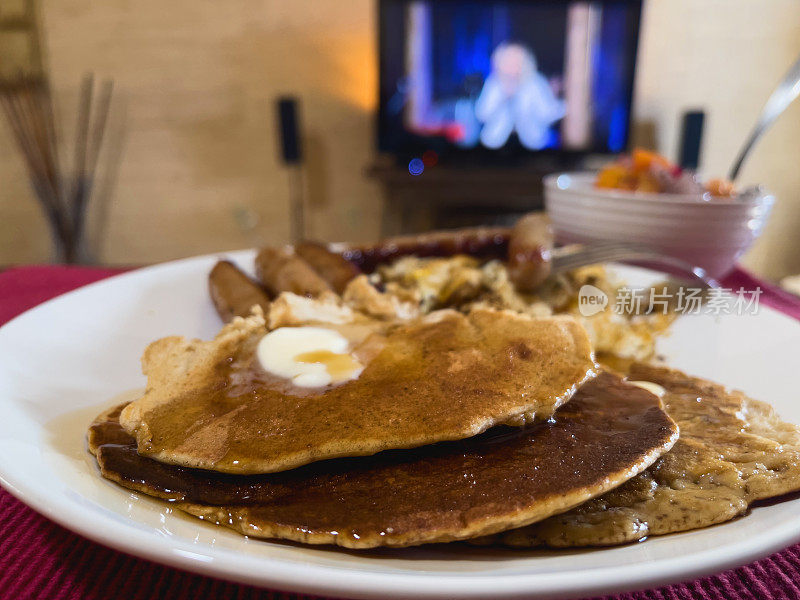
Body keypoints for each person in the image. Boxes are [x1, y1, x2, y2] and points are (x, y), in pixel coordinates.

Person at [475, 43, 566, 150]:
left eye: (517, 61)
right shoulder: (494, 83)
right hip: (496, 144)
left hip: (532, 144)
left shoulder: (535, 82)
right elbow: (481, 114)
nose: (513, 65)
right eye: (508, 61)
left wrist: (568, 106)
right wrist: (502, 97)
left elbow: (548, 113)